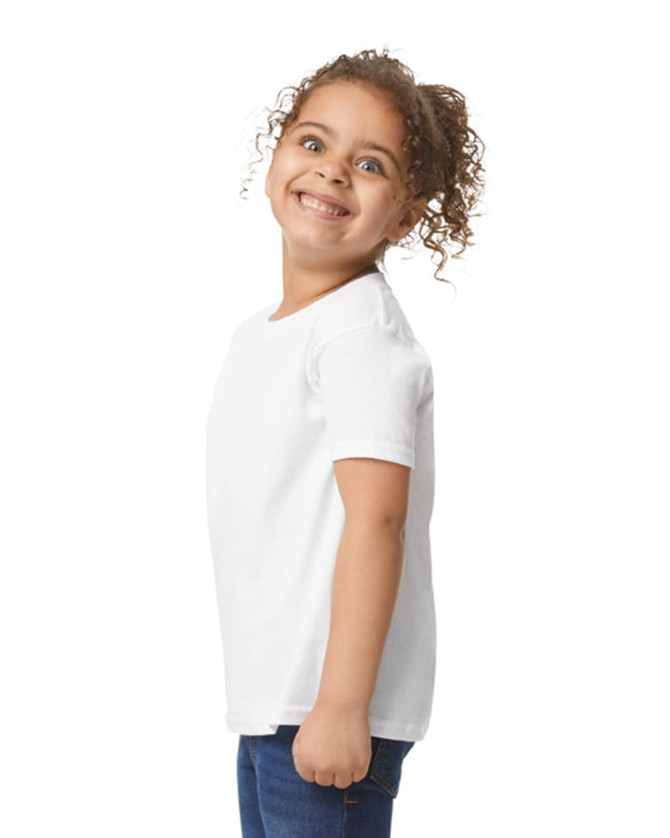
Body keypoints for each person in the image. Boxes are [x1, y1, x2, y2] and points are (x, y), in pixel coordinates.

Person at [206, 47, 485, 837]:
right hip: (275, 704)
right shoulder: (263, 333)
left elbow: (377, 521)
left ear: (404, 213)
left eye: (369, 163)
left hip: (324, 712)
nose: (331, 172)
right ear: (277, 156)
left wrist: (340, 706)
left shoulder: (359, 333)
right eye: (314, 143)